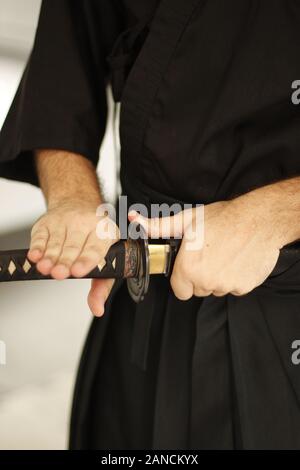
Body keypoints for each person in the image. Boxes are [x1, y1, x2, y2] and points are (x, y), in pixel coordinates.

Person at [1, 0, 300, 450]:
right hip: (138, 296)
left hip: (285, 307)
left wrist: (277, 213)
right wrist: (74, 199)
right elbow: (59, 73)